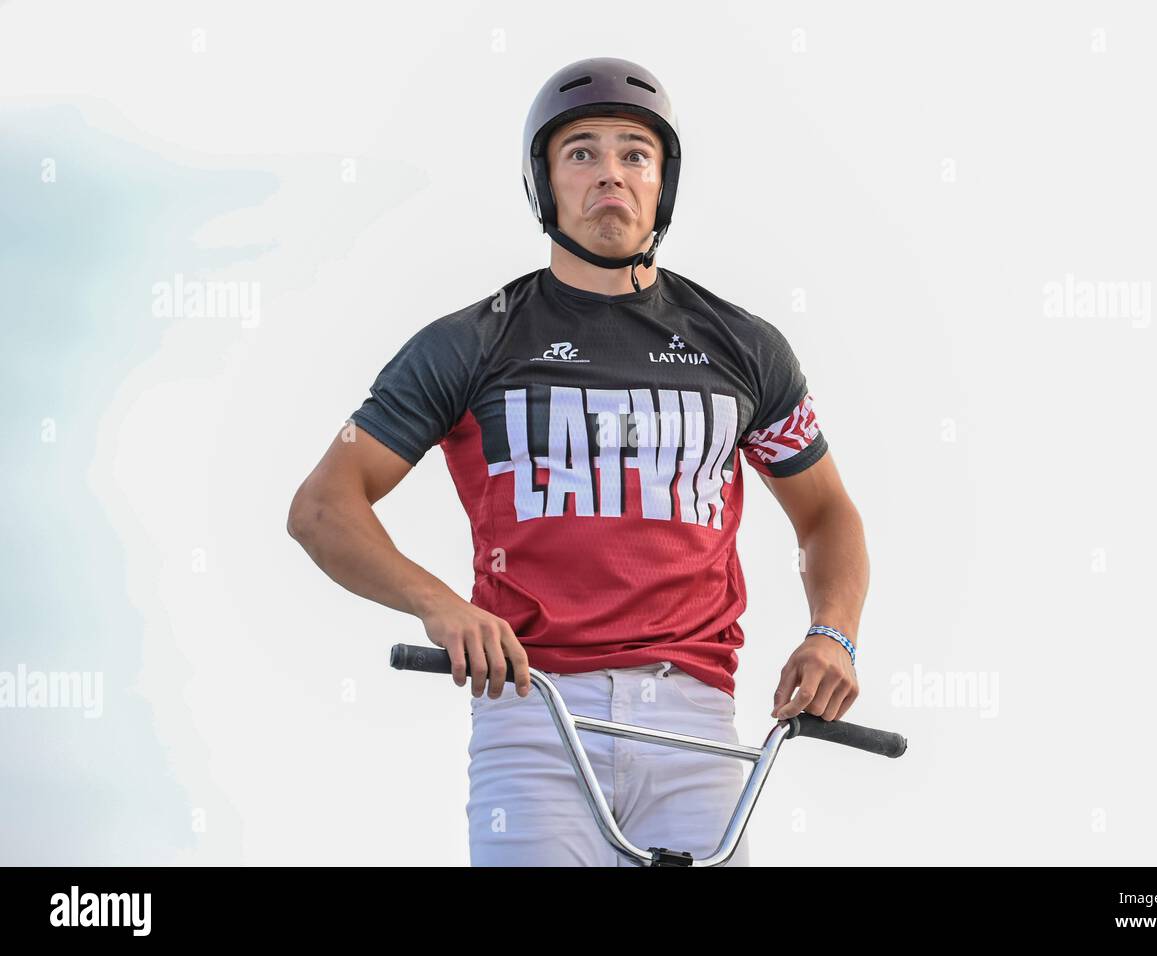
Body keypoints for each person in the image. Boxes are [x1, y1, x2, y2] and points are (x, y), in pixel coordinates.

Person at [287, 57, 869, 866]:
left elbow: (826, 513)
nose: (610, 175)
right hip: (534, 713)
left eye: (635, 153)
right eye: (581, 153)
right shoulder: (473, 343)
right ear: (545, 184)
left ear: (662, 182)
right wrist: (440, 606)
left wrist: (833, 634)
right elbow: (323, 507)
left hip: (697, 722)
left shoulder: (744, 347)